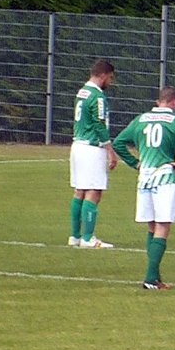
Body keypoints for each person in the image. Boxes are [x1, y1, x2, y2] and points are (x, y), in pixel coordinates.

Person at [112, 86, 175, 290]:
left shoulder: (141, 119)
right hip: (165, 176)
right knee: (162, 226)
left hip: (145, 177)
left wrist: (135, 163)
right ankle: (150, 279)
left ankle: (155, 278)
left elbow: (119, 142)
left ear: (159, 101)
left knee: (152, 227)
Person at [68, 59, 118, 249]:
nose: (110, 82)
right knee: (94, 191)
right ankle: (88, 238)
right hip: (91, 148)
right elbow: (99, 124)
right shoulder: (97, 96)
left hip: (77, 145)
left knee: (79, 190)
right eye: (110, 78)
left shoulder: (82, 92)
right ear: (103, 75)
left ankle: (75, 236)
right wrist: (110, 150)